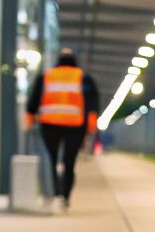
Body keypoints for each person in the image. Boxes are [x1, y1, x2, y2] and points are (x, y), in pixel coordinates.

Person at [24, 50, 99, 209]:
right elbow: (92, 102)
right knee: (69, 162)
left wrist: (30, 119)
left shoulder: (46, 76)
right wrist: (91, 124)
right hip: (75, 125)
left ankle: (54, 191)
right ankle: (65, 196)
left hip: (49, 124)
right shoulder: (83, 77)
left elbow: (34, 99)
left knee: (50, 160)